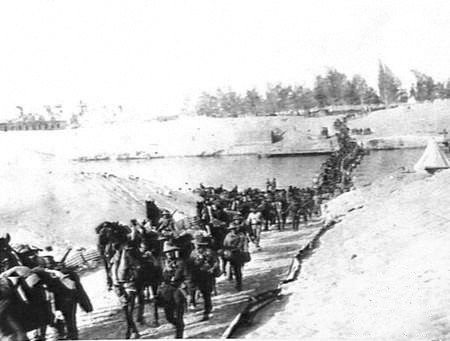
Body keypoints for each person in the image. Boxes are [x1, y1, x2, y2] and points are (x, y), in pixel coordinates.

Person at [157, 243, 188, 339]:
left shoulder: (181, 262)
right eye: (167, 253)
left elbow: (187, 276)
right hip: (167, 292)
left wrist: (186, 287)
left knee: (179, 315)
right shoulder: (163, 263)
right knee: (169, 317)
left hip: (178, 290)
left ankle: (179, 335)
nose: (169, 254)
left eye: (171, 252)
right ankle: (178, 325)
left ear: (174, 252)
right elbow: (160, 277)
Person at [189, 237, 220, 321]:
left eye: (199, 245)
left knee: (206, 294)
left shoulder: (209, 252)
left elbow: (216, 262)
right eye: (196, 245)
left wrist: (212, 269)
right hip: (197, 275)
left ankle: (207, 310)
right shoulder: (193, 253)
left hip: (207, 275)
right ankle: (196, 304)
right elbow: (191, 264)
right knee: (198, 291)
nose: (197, 247)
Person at [223, 223, 246, 291]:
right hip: (230, 254)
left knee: (237, 270)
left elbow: (243, 244)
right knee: (231, 267)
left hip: (238, 254)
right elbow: (225, 244)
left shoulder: (241, 235)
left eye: (234, 228)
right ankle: (229, 275)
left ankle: (239, 284)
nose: (233, 230)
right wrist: (226, 250)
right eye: (232, 229)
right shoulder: (228, 236)